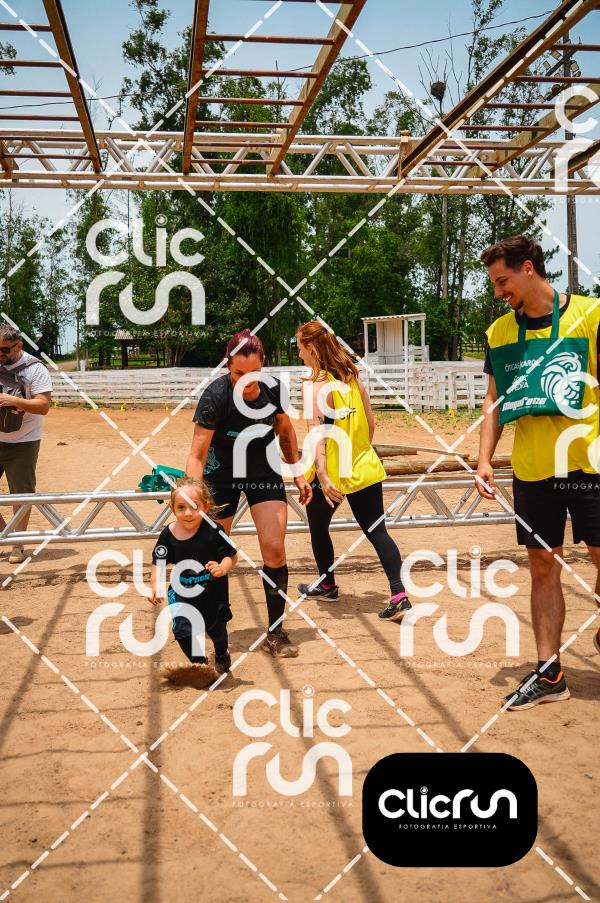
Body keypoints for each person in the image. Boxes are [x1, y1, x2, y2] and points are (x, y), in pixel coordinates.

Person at [477, 235, 600, 710]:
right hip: (532, 470)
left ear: (529, 269)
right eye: (494, 284)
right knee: (543, 567)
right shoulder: (499, 333)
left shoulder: (590, 314)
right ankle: (550, 674)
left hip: (589, 464)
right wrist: (484, 460)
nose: (498, 292)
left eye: (502, 281)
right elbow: (493, 402)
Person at [186, 329, 312, 657]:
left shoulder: (273, 390)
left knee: (275, 550)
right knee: (215, 554)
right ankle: (216, 624)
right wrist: (194, 496)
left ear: (263, 364)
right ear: (228, 365)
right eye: (239, 374)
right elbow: (197, 454)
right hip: (220, 477)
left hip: (262, 472)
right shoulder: (215, 396)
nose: (247, 382)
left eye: (253, 373)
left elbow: (286, 432)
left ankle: (276, 632)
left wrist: (298, 473)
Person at [295, 320, 411, 621]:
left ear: (312, 349)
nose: (299, 354)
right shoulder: (352, 378)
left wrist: (323, 474)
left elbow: (318, 435)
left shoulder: (314, 386)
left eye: (300, 348)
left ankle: (327, 585)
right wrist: (358, 452)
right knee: (377, 531)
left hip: (331, 473)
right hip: (363, 465)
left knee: (318, 527)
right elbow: (371, 424)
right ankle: (399, 595)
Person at [149, 476, 236, 675]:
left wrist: (222, 568)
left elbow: (231, 555)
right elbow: (158, 561)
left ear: (206, 507)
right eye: (181, 507)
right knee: (183, 632)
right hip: (182, 593)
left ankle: (222, 653)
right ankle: (200, 664)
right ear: (172, 509)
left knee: (217, 632)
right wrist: (155, 584)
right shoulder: (169, 534)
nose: (188, 513)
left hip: (213, 593)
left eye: (194, 506)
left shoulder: (214, 531)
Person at [0, 325, 52, 563]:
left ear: (19, 345)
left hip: (24, 441)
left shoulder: (35, 368)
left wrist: (14, 400)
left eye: (4, 350)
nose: (0, 355)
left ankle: (17, 545)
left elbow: (43, 406)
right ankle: (6, 534)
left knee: (21, 495)